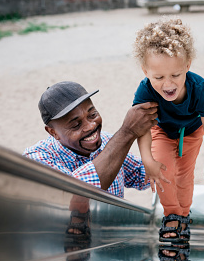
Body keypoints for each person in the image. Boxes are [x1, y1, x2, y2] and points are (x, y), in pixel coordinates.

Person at [132, 17, 204, 243]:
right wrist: (148, 159)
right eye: (158, 77)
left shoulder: (198, 87)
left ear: (187, 65)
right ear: (145, 70)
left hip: (192, 133)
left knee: (184, 176)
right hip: (162, 132)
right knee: (163, 171)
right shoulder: (145, 90)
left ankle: (184, 215)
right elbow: (142, 127)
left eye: (175, 75)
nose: (168, 84)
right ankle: (172, 215)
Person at [24, 81, 158, 198]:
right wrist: (127, 132)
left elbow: (140, 174)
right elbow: (75, 194)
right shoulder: (36, 158)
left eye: (92, 114)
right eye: (76, 125)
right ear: (53, 132)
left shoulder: (106, 140)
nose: (91, 126)